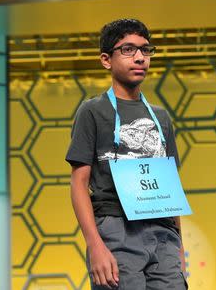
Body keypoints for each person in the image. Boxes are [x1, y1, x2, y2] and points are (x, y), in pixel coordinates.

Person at [66, 18, 187, 290]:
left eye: (145, 50)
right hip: (116, 229)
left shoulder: (161, 117)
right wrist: (95, 245)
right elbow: (78, 184)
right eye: (128, 50)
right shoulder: (92, 111)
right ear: (106, 60)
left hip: (163, 232)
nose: (140, 57)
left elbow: (170, 186)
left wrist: (180, 247)